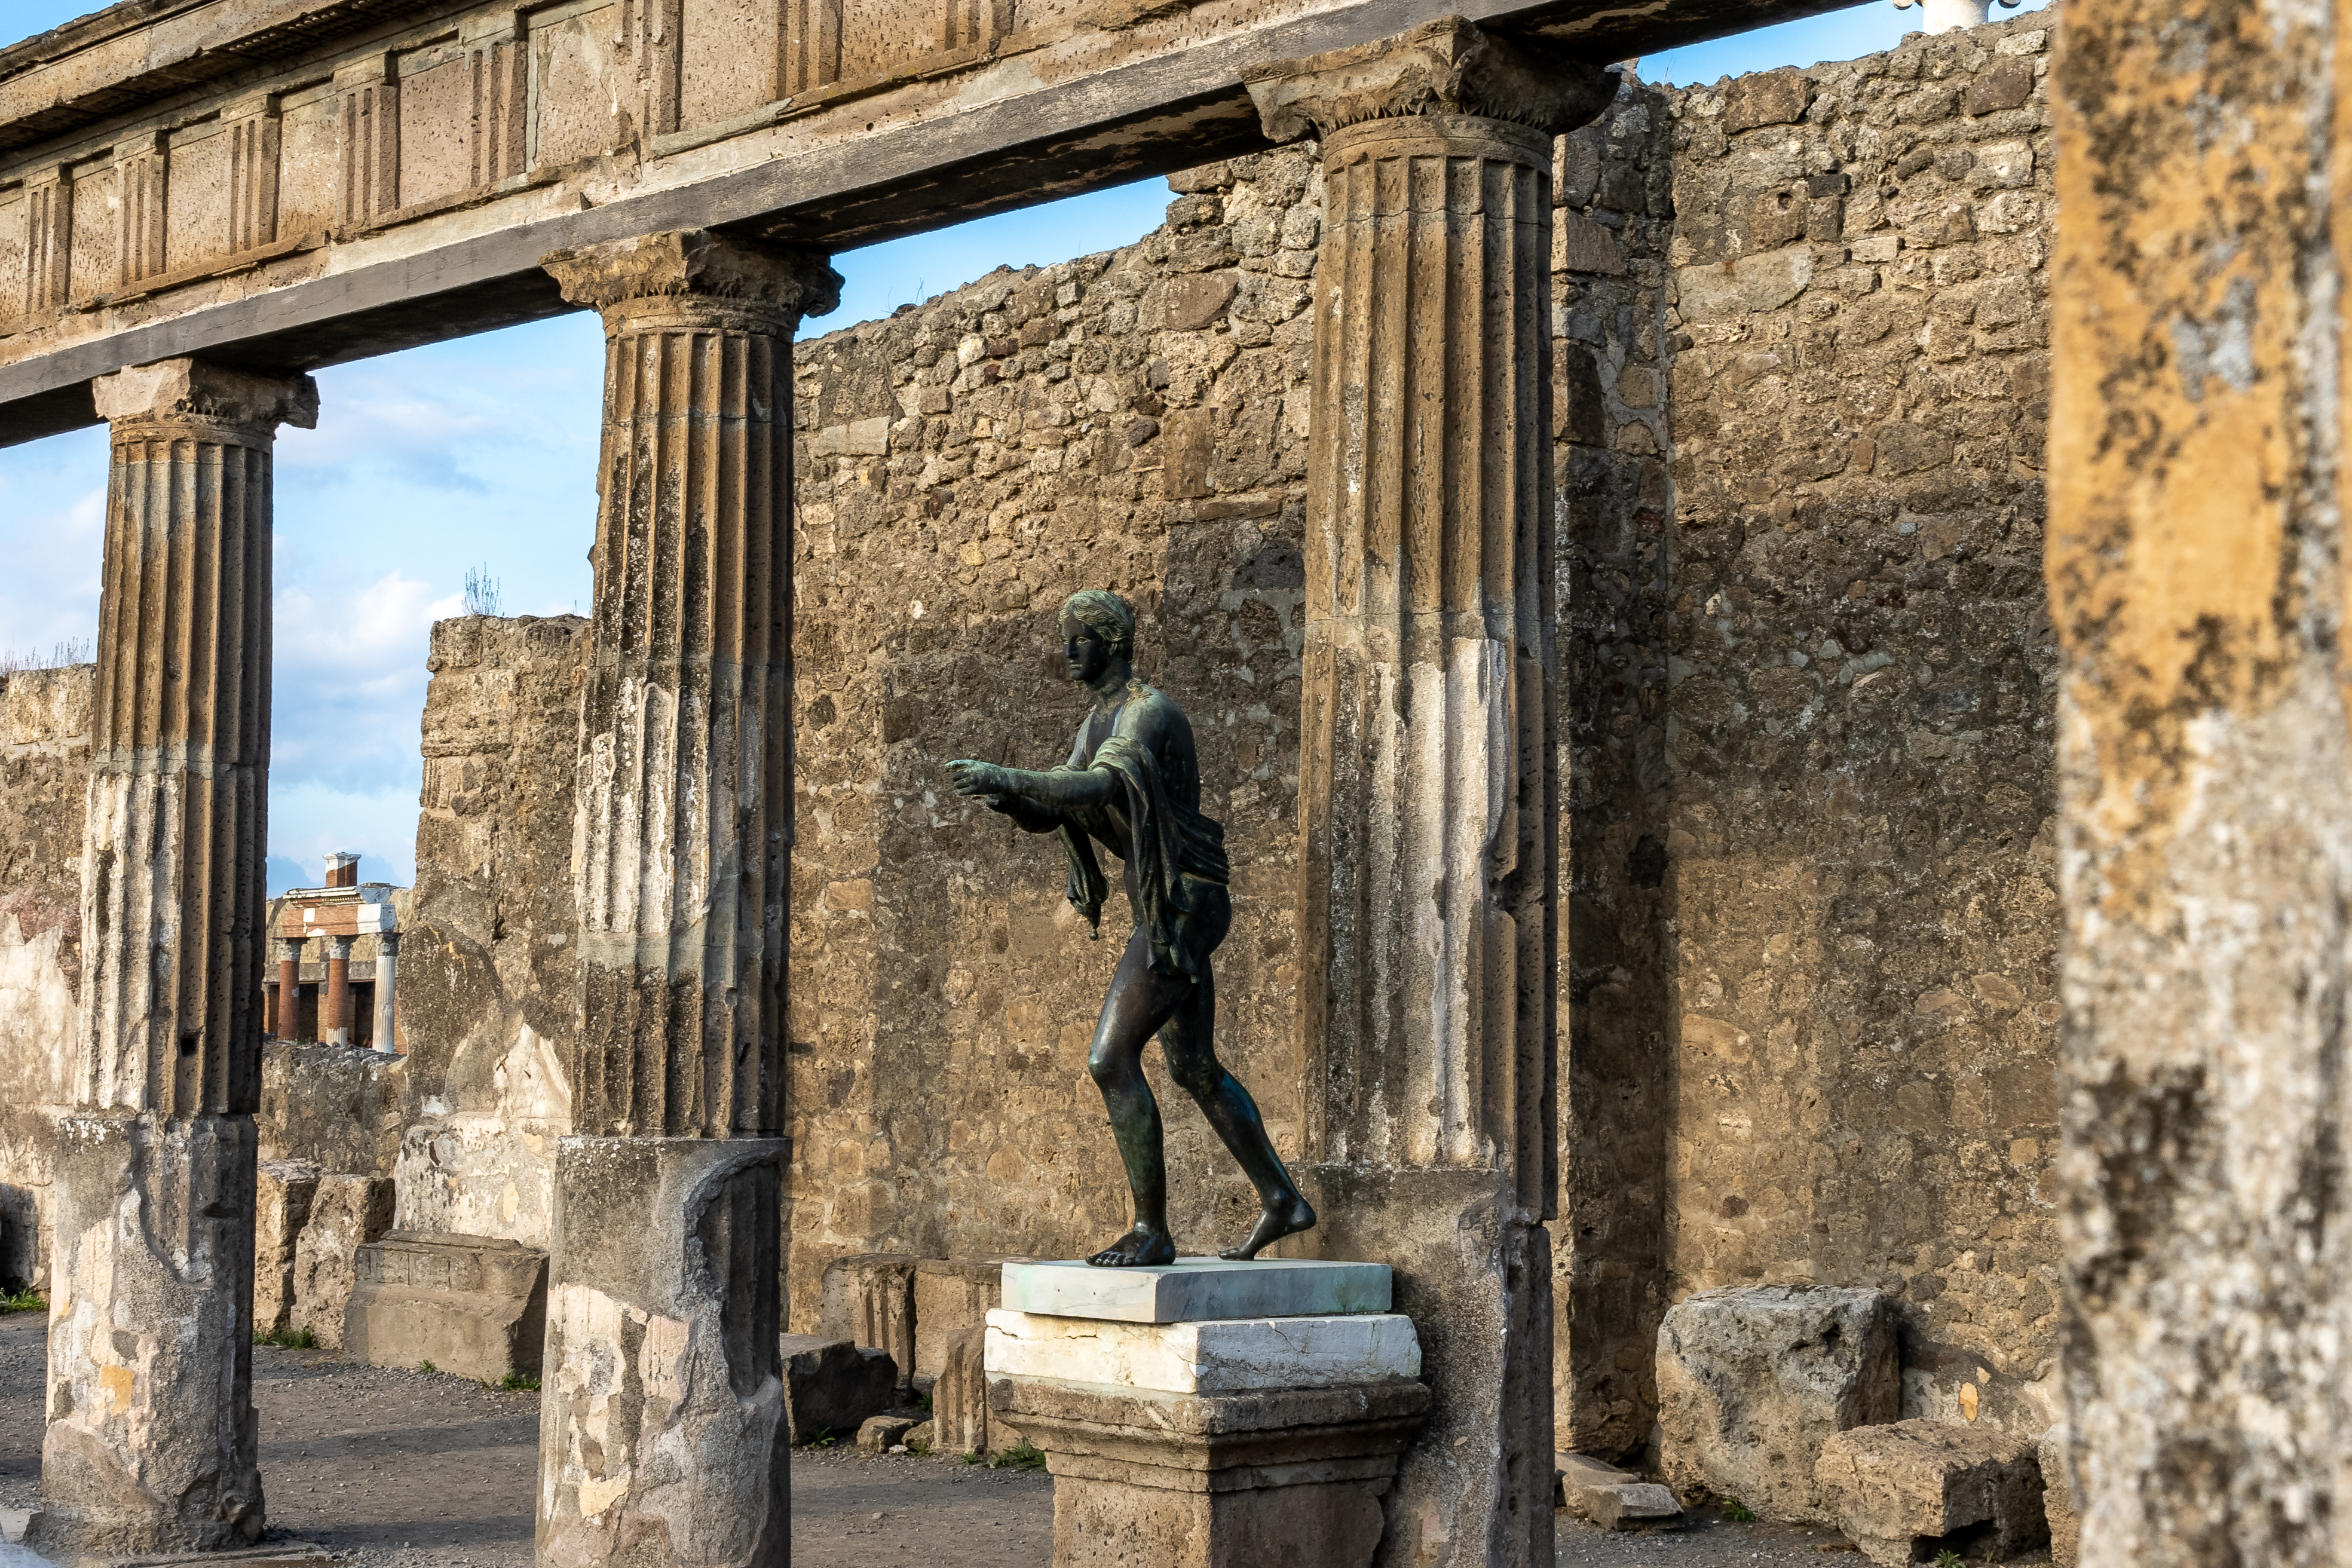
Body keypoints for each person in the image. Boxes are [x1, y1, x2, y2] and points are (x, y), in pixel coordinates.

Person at [946, 589, 1316, 1266]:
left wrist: (1011, 772)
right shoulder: (1096, 723)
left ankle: (1152, 1228)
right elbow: (1058, 801)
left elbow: (1091, 791)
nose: (1067, 650)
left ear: (1113, 642)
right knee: (1194, 1066)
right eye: (1066, 637)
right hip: (1171, 906)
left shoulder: (1147, 712)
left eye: (1079, 636)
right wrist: (1012, 798)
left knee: (1109, 1058)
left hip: (1184, 902)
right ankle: (1283, 1199)